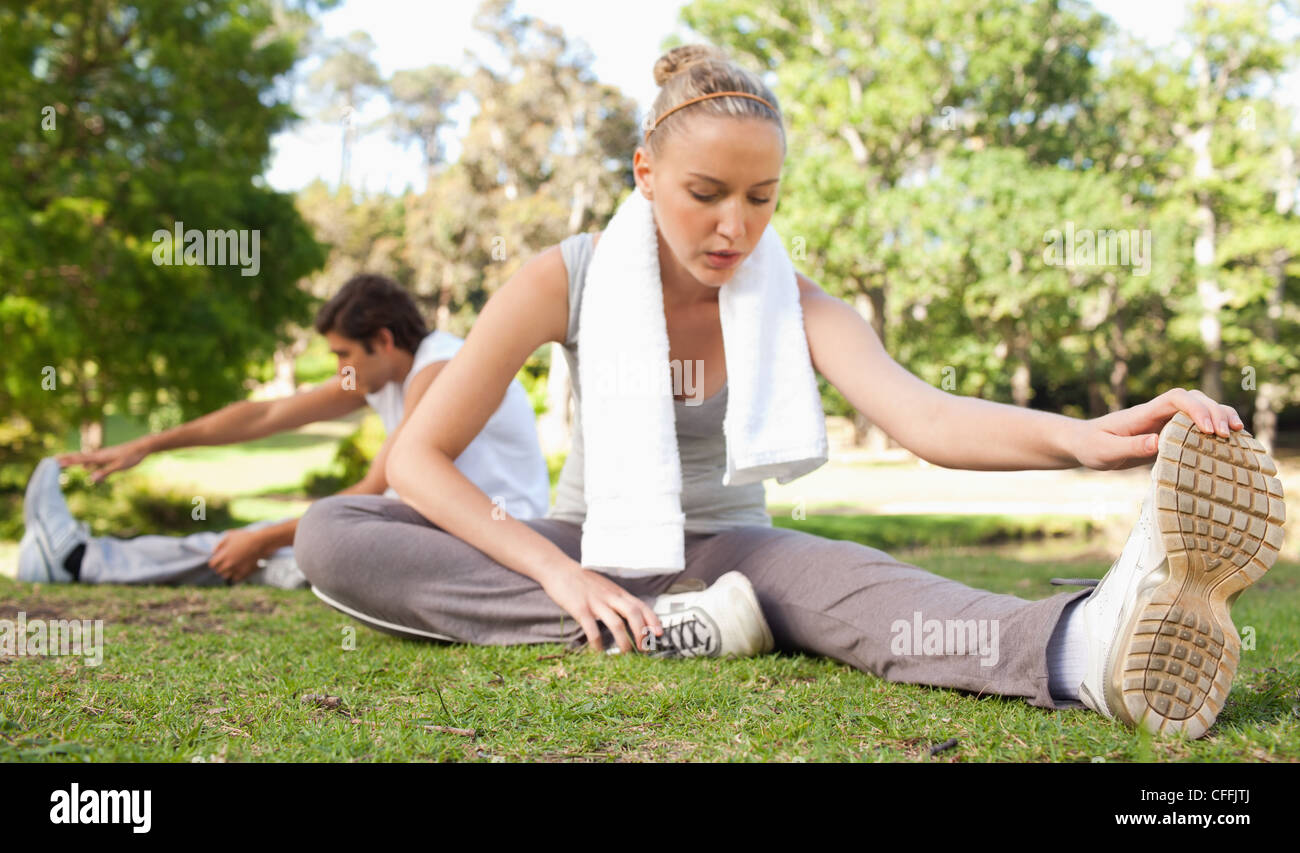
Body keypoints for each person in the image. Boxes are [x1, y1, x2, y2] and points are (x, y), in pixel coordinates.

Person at [291, 45, 1285, 738]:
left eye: (760, 198)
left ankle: (1086, 646)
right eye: (705, 194)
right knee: (332, 533)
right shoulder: (567, 276)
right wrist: (561, 577)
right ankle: (673, 631)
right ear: (644, 174)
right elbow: (417, 458)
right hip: (587, 541)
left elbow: (923, 417)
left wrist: (1082, 437)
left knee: (863, 592)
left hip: (732, 554)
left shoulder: (791, 299)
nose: (734, 226)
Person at [19, 274, 551, 590]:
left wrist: (264, 537)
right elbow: (267, 416)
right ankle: (80, 560)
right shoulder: (385, 373)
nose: (338, 365)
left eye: (343, 353)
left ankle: (78, 561)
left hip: (490, 546)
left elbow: (372, 490)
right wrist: (148, 445)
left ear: (382, 340)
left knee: (286, 534)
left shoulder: (439, 371)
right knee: (263, 541)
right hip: (433, 531)